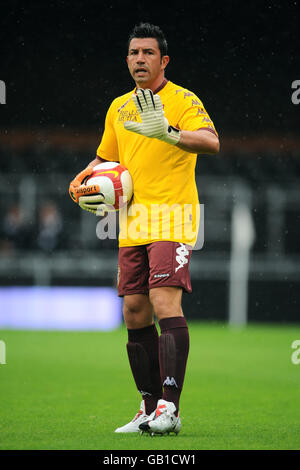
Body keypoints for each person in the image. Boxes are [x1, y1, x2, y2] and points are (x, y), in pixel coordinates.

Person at [69, 23, 219, 435]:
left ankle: (170, 407)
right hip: (132, 221)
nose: (139, 59)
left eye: (148, 53)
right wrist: (83, 177)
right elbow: (106, 159)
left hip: (173, 216)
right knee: (134, 311)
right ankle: (149, 407)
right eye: (134, 53)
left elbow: (212, 142)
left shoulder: (183, 100)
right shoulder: (118, 106)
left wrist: (169, 133)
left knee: (163, 301)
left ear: (163, 60)